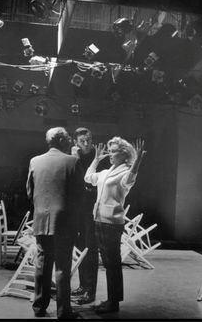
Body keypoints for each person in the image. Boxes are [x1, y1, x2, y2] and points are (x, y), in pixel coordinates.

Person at [26, 127, 84, 319]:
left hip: (41, 219)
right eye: (68, 138)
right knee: (62, 267)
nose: (71, 141)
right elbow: (79, 195)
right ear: (60, 140)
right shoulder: (73, 161)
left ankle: (39, 307)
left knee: (42, 265)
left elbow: (29, 192)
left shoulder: (35, 161)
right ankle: (63, 311)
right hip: (64, 222)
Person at [84, 137, 146, 314]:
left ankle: (113, 302)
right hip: (99, 220)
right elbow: (88, 178)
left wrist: (138, 160)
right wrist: (96, 159)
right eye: (109, 150)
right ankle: (112, 299)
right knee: (108, 263)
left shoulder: (125, 171)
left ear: (124, 155)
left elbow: (129, 180)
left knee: (112, 263)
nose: (110, 153)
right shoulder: (107, 171)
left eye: (114, 151)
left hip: (111, 223)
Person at [71, 127, 110, 305]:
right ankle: (82, 285)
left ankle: (90, 292)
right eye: (82, 141)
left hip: (92, 211)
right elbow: (73, 179)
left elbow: (102, 181)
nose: (86, 143)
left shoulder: (100, 156)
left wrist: (89, 189)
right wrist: (75, 159)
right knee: (80, 249)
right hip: (77, 210)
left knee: (91, 250)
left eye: (88, 139)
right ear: (76, 142)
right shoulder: (74, 156)